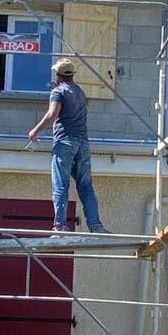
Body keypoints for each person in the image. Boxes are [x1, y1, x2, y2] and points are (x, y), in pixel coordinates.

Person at [28, 57, 109, 233]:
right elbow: (71, 105)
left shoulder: (58, 92)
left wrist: (35, 131)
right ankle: (96, 226)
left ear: (58, 74)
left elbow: (52, 114)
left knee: (60, 186)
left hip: (65, 142)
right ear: (72, 74)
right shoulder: (80, 92)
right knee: (86, 187)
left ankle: (60, 226)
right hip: (83, 143)